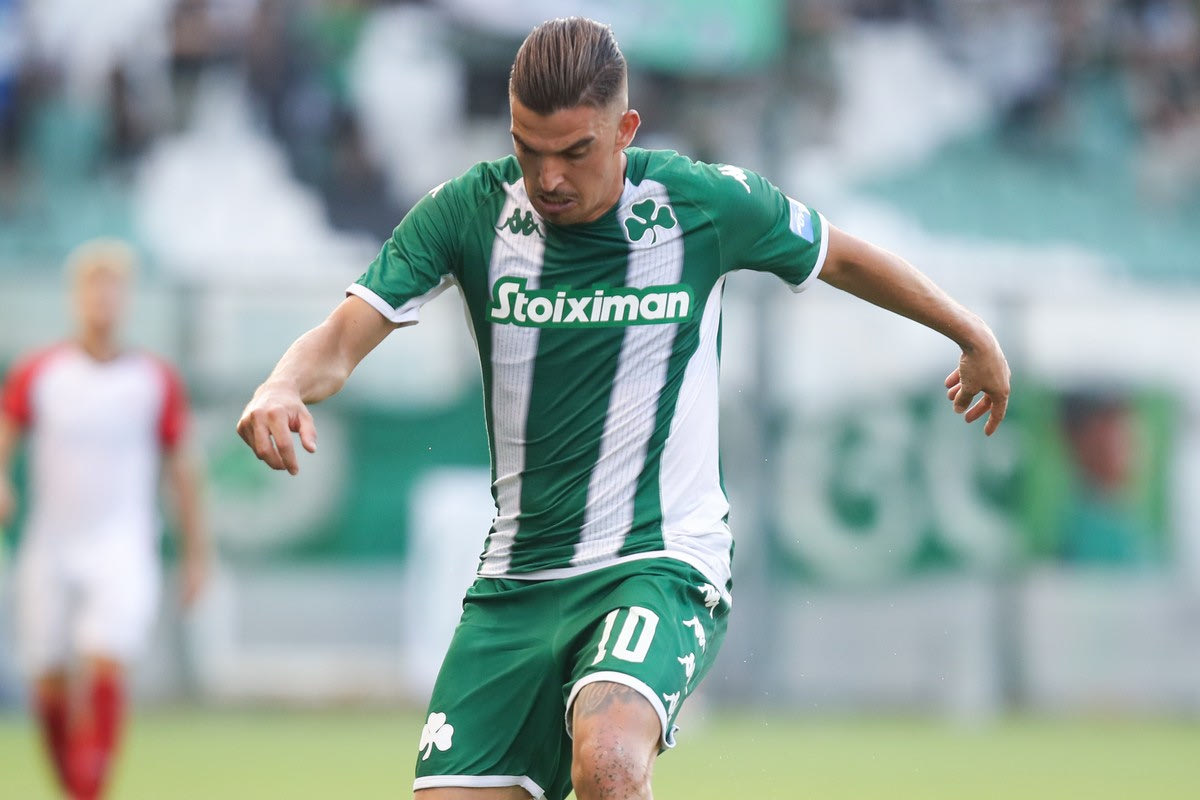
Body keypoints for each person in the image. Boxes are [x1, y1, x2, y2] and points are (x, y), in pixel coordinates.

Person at [237, 17, 1010, 800]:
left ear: (625, 130)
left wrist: (969, 332)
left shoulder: (701, 203)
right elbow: (340, 339)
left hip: (658, 561)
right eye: (528, 149)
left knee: (608, 760)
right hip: (518, 582)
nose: (548, 178)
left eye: (575, 152)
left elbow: (839, 255)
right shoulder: (466, 212)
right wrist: (281, 385)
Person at [0, 239, 209, 800]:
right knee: (47, 676)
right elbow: (6, 432)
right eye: (93, 288)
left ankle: (90, 792)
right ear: (76, 297)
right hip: (51, 542)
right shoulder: (40, 371)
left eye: (112, 289)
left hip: (123, 544)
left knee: (105, 658)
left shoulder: (154, 380)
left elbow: (183, 472)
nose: (102, 300)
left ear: (127, 299)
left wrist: (196, 555)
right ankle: (77, 789)